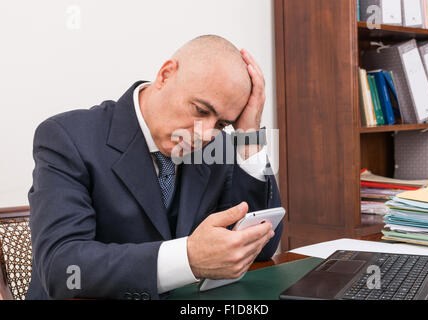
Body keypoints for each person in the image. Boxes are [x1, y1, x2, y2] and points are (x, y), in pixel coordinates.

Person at [26, 35, 282, 300]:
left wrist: (249, 138)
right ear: (165, 75)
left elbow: (262, 248)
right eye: (201, 110)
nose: (206, 133)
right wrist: (188, 258)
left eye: (220, 124)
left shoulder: (217, 147)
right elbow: (63, 270)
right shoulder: (67, 138)